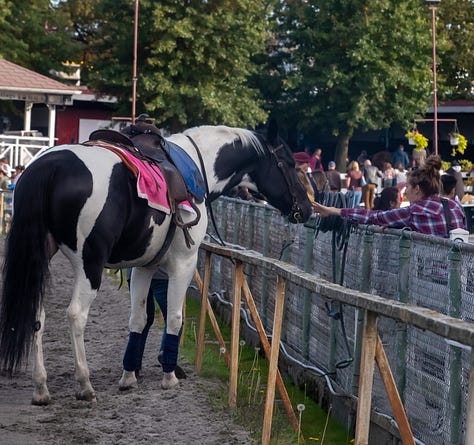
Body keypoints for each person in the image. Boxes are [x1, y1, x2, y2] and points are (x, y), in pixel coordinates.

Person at [313, 155, 466, 238]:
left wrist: (334, 211)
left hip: (429, 279)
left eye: (407, 187)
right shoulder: (454, 206)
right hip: (459, 276)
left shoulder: (414, 211)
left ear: (417, 189)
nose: (405, 192)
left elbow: (373, 216)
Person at [122, 268, 186, 379]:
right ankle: (166, 353)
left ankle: (134, 367)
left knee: (142, 319)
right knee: (173, 318)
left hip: (133, 274)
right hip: (161, 274)